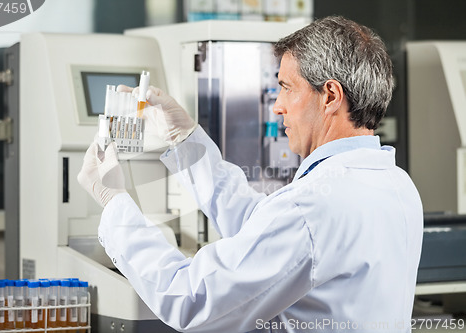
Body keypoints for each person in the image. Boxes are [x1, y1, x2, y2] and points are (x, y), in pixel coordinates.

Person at [78, 16, 423, 332]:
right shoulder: (396, 184)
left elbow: (190, 298)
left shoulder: (311, 208)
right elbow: (263, 225)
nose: (278, 105)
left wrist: (115, 205)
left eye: (287, 87)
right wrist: (185, 141)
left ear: (330, 95)